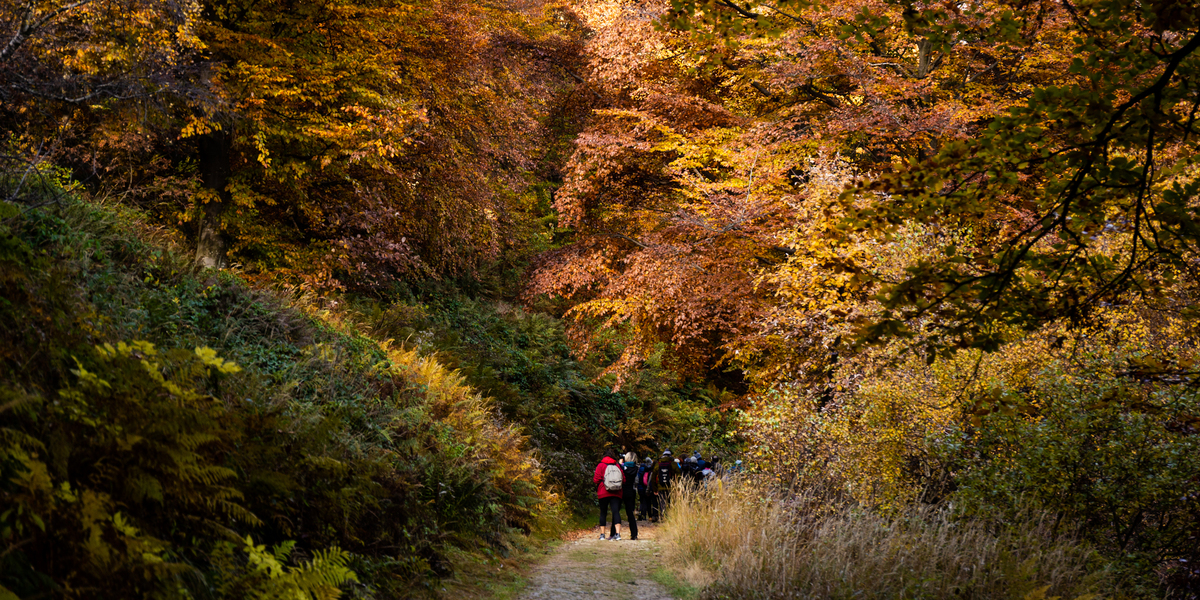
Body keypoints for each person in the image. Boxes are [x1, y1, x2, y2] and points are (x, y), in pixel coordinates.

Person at [593, 449, 625, 540]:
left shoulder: (600, 465)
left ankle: (602, 535)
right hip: (616, 492)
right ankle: (618, 534)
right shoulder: (617, 465)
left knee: (603, 512)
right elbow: (624, 479)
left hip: (603, 492)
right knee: (616, 512)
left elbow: (596, 480)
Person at [647, 450, 682, 522]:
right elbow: (679, 474)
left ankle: (663, 517)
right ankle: (669, 517)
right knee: (669, 502)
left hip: (660, 487)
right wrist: (676, 484)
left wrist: (654, 489)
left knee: (662, 502)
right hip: (670, 487)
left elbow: (653, 477)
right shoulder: (673, 463)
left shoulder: (658, 463)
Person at [620, 452, 640, 540]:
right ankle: (634, 533)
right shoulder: (636, 468)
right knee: (630, 513)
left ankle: (614, 533)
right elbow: (637, 481)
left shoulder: (621, 467)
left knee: (616, 511)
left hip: (621, 490)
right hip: (631, 492)